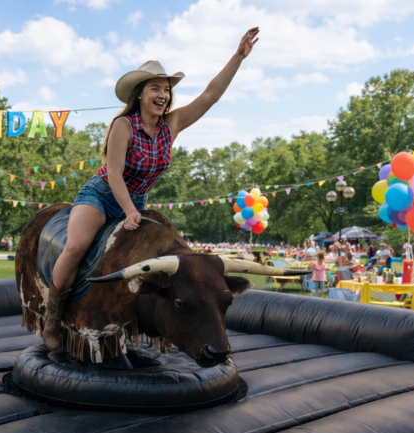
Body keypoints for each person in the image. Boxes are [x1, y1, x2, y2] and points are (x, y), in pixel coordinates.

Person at [39, 30, 259, 349]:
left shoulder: (171, 125)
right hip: (102, 196)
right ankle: (52, 319)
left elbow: (210, 96)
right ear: (140, 94)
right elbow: (114, 174)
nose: (163, 95)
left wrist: (238, 57)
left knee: (170, 259)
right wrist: (129, 211)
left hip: (138, 202)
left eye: (166, 90)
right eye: (155, 88)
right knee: (75, 248)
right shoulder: (123, 126)